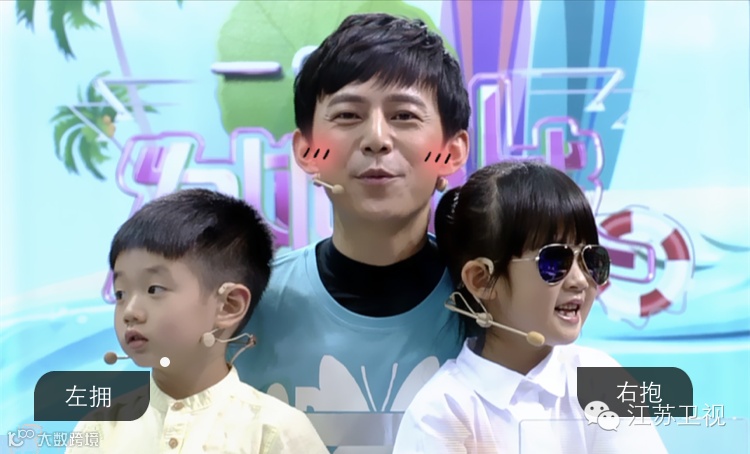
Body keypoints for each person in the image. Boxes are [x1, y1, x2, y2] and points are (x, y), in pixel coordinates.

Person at [234, 12, 471, 452]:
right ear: (307, 151)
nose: (376, 138)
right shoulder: (244, 303)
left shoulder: (496, 304)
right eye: (347, 115)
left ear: (451, 152)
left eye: (404, 115)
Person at [391, 161, 669, 453]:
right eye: (554, 261)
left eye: (591, 259)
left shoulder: (601, 378)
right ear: (482, 279)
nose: (579, 280)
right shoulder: (442, 412)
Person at [66, 189, 328, 454]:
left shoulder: (275, 430)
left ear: (229, 305)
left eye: (154, 289)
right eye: (121, 294)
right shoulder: (101, 426)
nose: (130, 312)